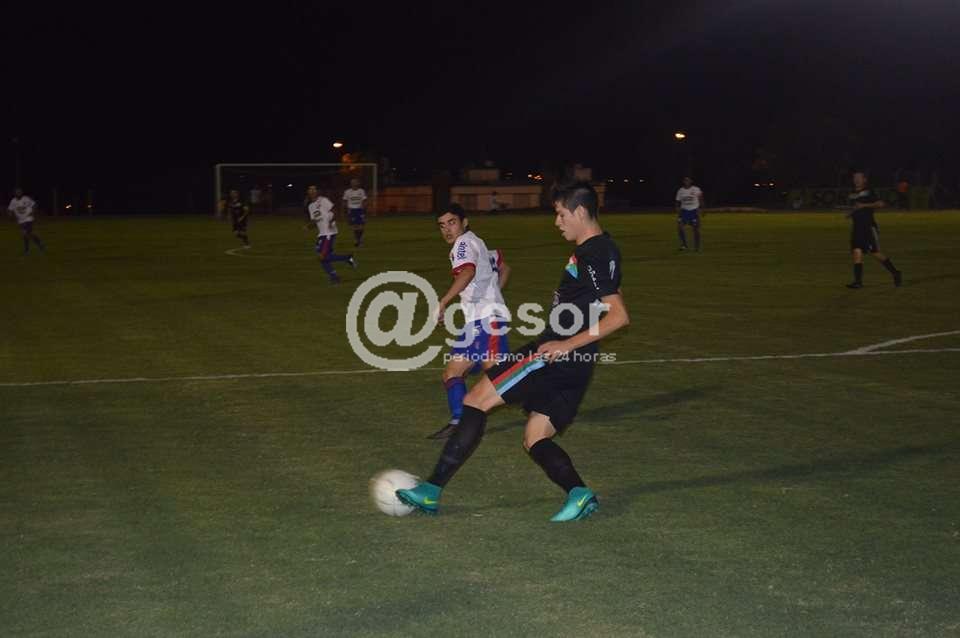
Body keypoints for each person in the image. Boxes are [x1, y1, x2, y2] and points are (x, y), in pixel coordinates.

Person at [397, 181, 629, 522]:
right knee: (535, 437)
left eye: (561, 214)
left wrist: (565, 344)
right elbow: (606, 298)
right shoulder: (606, 248)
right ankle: (579, 494)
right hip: (578, 365)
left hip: (552, 355)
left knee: (475, 400)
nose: (557, 222)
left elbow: (618, 315)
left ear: (580, 212)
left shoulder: (592, 252)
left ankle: (431, 490)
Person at [427, 202, 512, 440]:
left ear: (464, 222)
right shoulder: (478, 243)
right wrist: (495, 293)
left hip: (487, 321)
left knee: (500, 380)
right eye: (442, 225)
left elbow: (467, 272)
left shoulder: (463, 244)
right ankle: (459, 422)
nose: (447, 229)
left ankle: (545, 399)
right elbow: (504, 267)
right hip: (476, 322)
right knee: (452, 373)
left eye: (452, 222)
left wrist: (444, 301)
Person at [845, 171, 902, 289]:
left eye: (859, 177)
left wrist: (864, 205)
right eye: (854, 177)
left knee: (875, 253)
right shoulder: (852, 193)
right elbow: (856, 207)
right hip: (857, 228)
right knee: (856, 252)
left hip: (868, 227)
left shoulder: (869, 191)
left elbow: (881, 204)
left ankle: (896, 272)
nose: (856, 179)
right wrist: (851, 213)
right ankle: (858, 282)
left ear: (864, 180)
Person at [308, 185, 355, 284]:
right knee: (323, 258)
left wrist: (331, 221)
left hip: (329, 232)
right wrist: (308, 226)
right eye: (310, 189)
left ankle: (338, 271)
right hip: (322, 234)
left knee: (322, 257)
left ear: (317, 191)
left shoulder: (323, 200)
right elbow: (315, 220)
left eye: (314, 189)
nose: (312, 191)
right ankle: (337, 272)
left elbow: (334, 211)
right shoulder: (311, 206)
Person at [7, 188, 46, 255]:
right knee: (29, 234)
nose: (18, 193)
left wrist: (32, 212)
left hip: (28, 219)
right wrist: (10, 214)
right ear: (15, 193)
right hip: (20, 220)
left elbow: (34, 205)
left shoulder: (26, 198)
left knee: (25, 233)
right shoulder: (13, 201)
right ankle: (40, 244)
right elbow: (9, 209)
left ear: (22, 192)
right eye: (17, 192)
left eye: (20, 192)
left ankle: (27, 250)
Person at [675, 176, 704, 251]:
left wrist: (702, 209)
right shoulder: (680, 190)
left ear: (691, 181)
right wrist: (677, 209)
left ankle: (697, 246)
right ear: (683, 181)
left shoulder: (696, 189)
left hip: (694, 211)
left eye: (688, 180)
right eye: (685, 180)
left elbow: (701, 199)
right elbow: (677, 201)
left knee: (696, 229)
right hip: (684, 211)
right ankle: (684, 245)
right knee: (680, 227)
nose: (686, 181)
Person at [342, 178, 368, 247]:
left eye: (355, 182)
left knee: (361, 227)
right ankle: (357, 240)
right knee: (355, 227)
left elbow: (364, 200)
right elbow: (344, 201)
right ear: (350, 184)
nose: (354, 184)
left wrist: (364, 209)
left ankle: (360, 240)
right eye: (352, 182)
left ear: (358, 183)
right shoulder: (347, 192)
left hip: (360, 210)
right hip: (352, 210)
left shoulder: (361, 191)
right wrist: (345, 211)